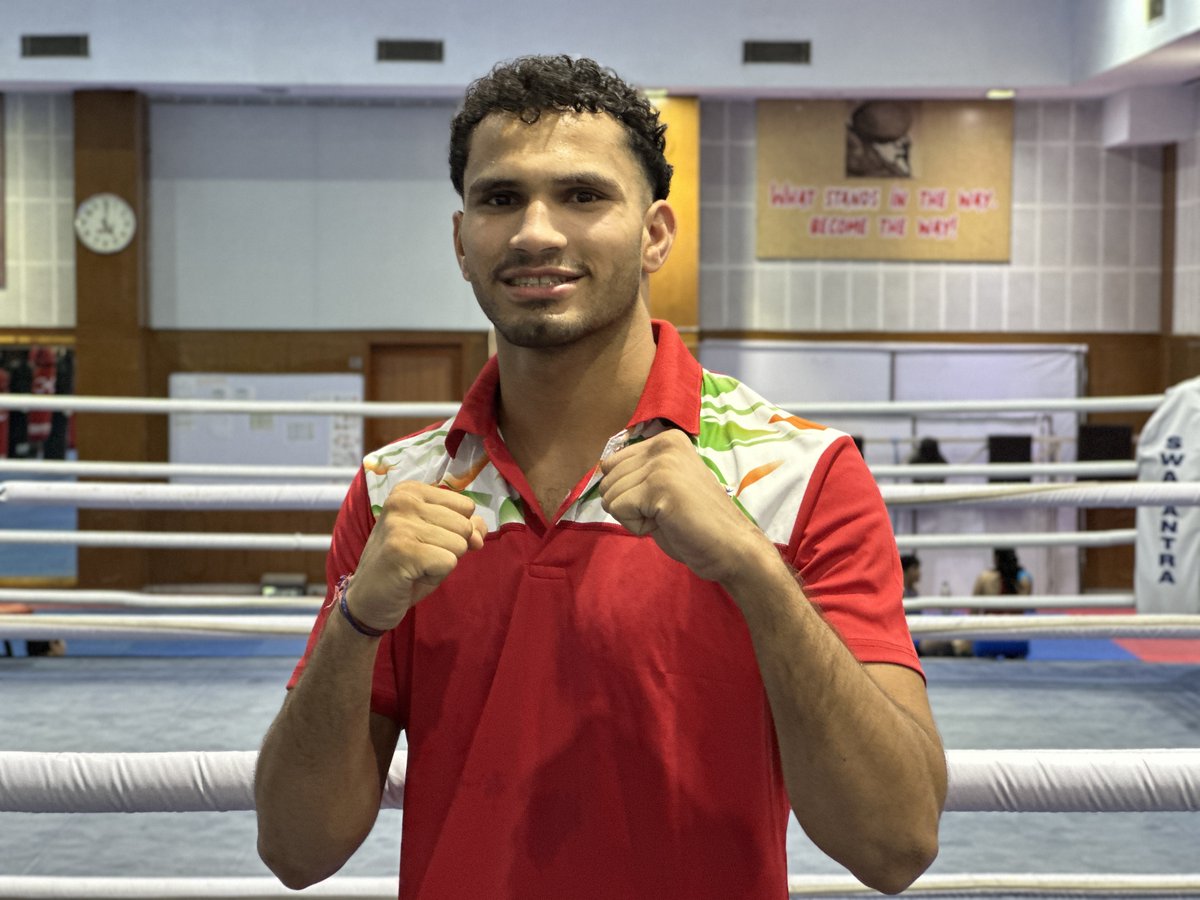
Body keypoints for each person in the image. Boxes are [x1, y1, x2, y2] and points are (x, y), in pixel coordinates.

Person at [254, 54, 946, 899]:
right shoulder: (398, 489)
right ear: (462, 239)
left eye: (584, 196)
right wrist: (357, 618)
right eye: (500, 198)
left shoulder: (799, 475)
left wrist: (755, 571)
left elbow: (895, 844)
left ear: (655, 234)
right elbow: (296, 849)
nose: (536, 232)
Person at [970, 548, 1033, 659]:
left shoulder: (984, 578)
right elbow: (1027, 606)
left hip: (988, 640)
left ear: (995, 559)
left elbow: (973, 612)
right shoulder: (1025, 578)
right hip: (1017, 642)